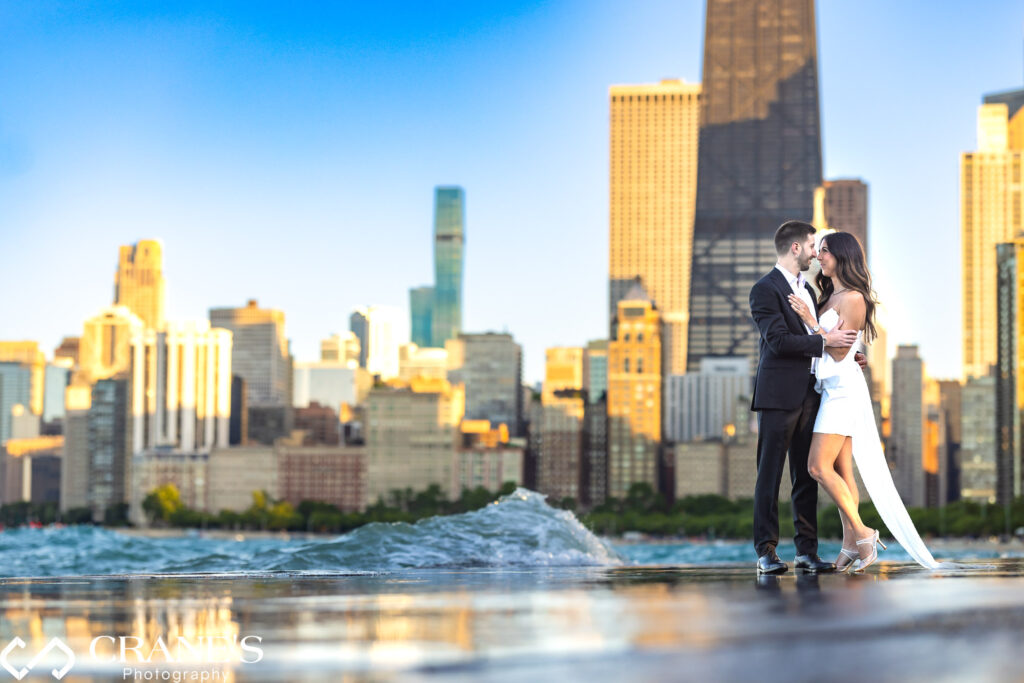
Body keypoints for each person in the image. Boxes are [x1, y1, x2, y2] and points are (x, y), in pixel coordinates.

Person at [787, 231, 943, 571]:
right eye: (819, 251)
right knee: (842, 470)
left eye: (825, 252)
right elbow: (842, 349)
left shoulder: (854, 298)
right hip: (829, 387)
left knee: (817, 467)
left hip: (843, 393)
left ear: (842, 255)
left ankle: (863, 533)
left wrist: (810, 322)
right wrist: (844, 345)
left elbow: (839, 350)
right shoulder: (830, 296)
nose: (819, 257)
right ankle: (850, 546)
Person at [749, 220, 860, 575]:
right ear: (796, 248)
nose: (816, 253)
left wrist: (849, 352)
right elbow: (778, 341)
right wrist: (824, 341)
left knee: (805, 478)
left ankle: (806, 553)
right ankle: (766, 553)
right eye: (813, 246)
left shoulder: (811, 292)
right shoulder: (764, 290)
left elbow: (822, 337)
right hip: (777, 396)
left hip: (812, 396)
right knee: (769, 476)